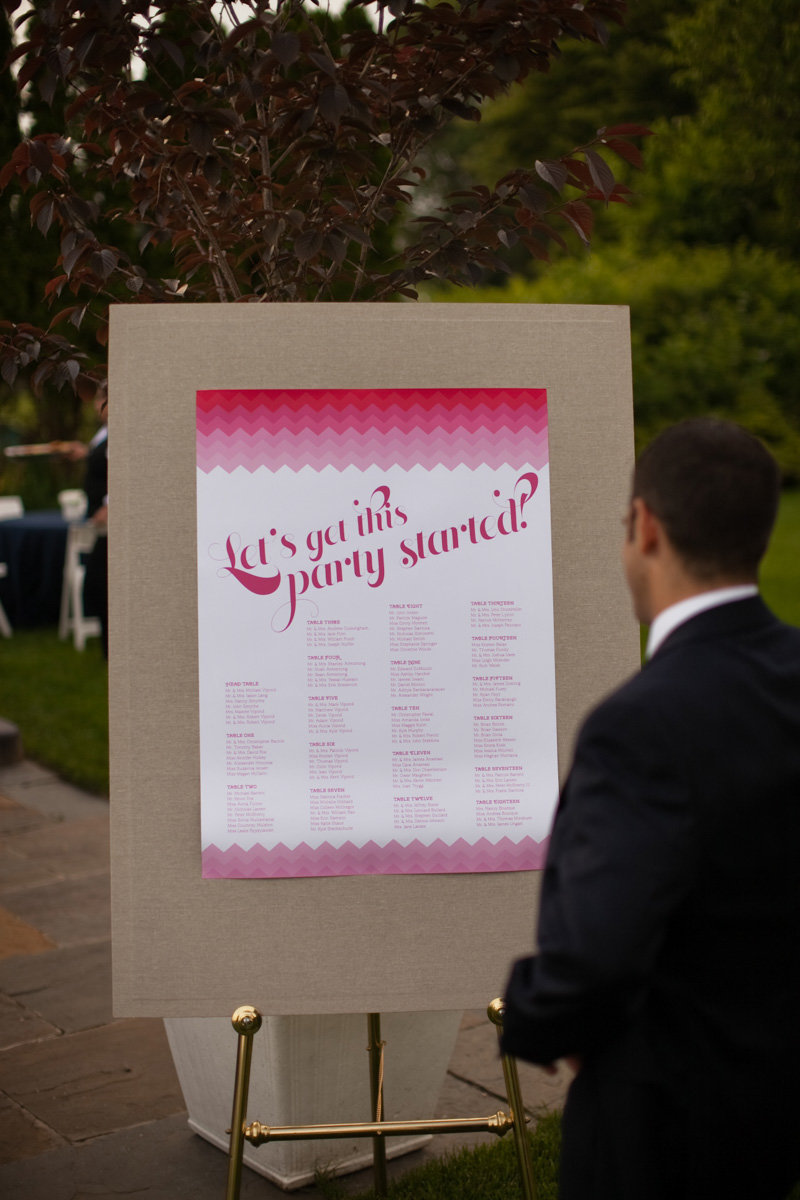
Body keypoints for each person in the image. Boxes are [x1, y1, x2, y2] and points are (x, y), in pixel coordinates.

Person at [502, 418, 800, 1200]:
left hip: (668, 1123)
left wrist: (536, 1019)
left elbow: (595, 954)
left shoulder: (638, 727)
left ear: (647, 528)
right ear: (759, 536)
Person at [81, 384, 109, 657]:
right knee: (97, 583)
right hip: (100, 523)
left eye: (101, 399)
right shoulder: (103, 434)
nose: (95, 405)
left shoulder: (121, 434)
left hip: (112, 521)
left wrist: (110, 504)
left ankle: (111, 648)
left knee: (100, 581)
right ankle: (107, 647)